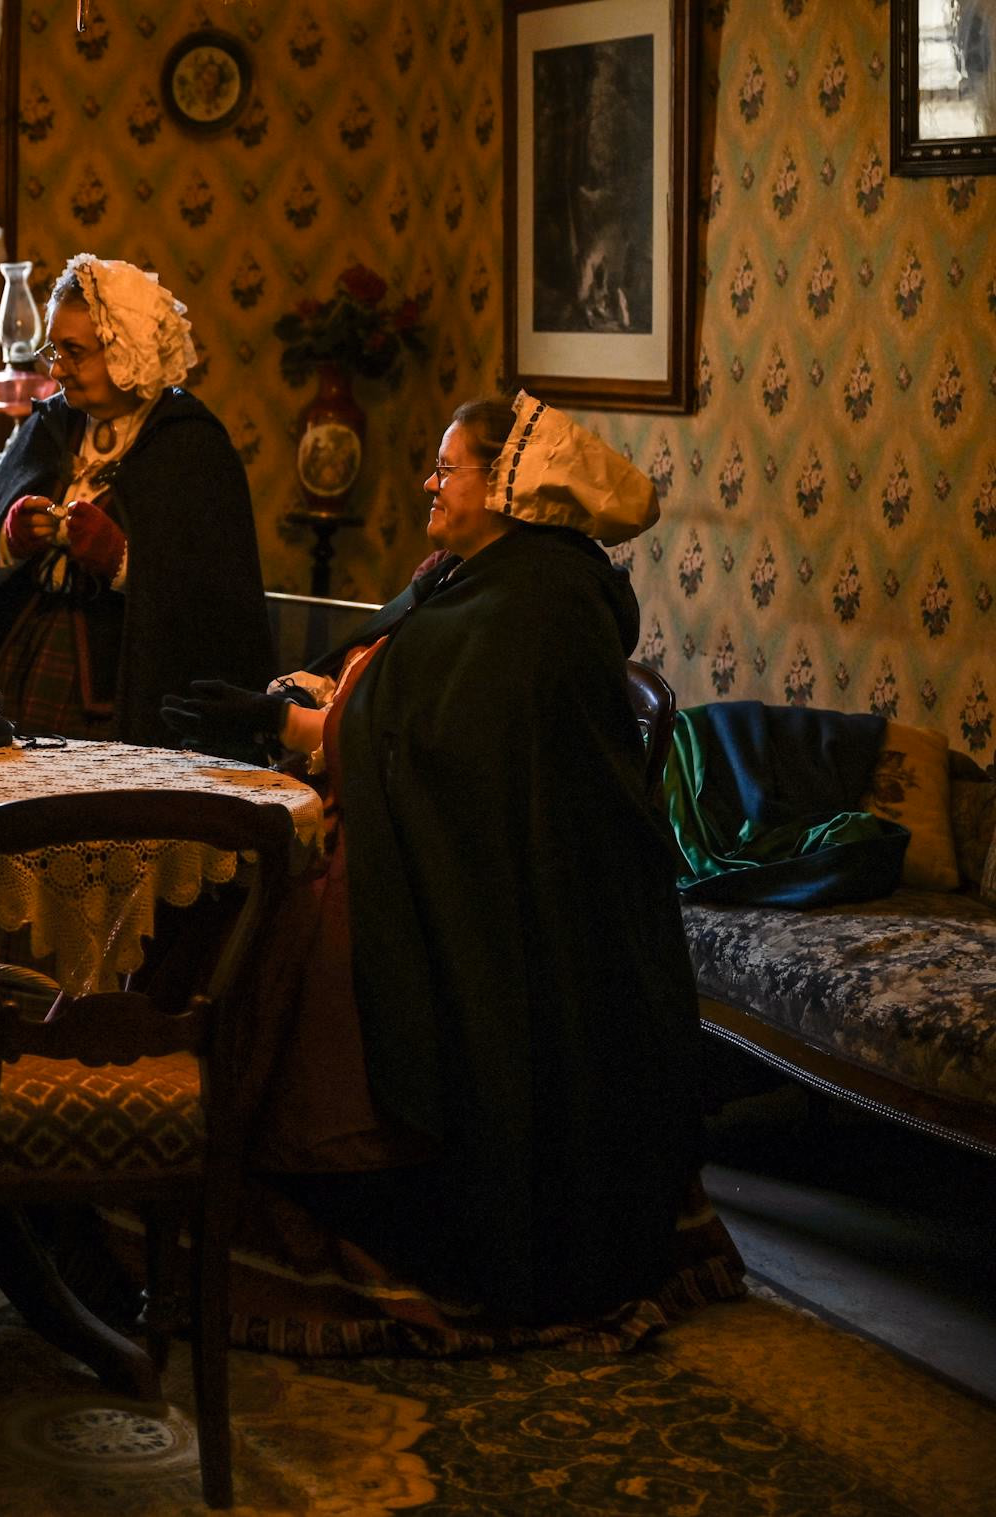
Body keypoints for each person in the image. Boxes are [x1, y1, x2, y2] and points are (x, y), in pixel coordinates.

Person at [161, 393, 738, 1348]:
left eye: (446, 468)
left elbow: (432, 747)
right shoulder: (478, 577)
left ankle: (310, 1190)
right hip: (459, 844)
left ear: (509, 486)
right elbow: (404, 710)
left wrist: (297, 727)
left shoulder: (536, 602)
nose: (429, 483)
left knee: (277, 930)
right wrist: (298, 715)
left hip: (514, 888)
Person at [0, 255, 273, 743]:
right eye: (54, 349)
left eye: (74, 351)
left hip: (130, 694)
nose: (57, 369)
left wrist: (123, 561)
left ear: (125, 351)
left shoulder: (191, 448)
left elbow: (215, 604)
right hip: (15, 664)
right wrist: (9, 542)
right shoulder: (47, 428)